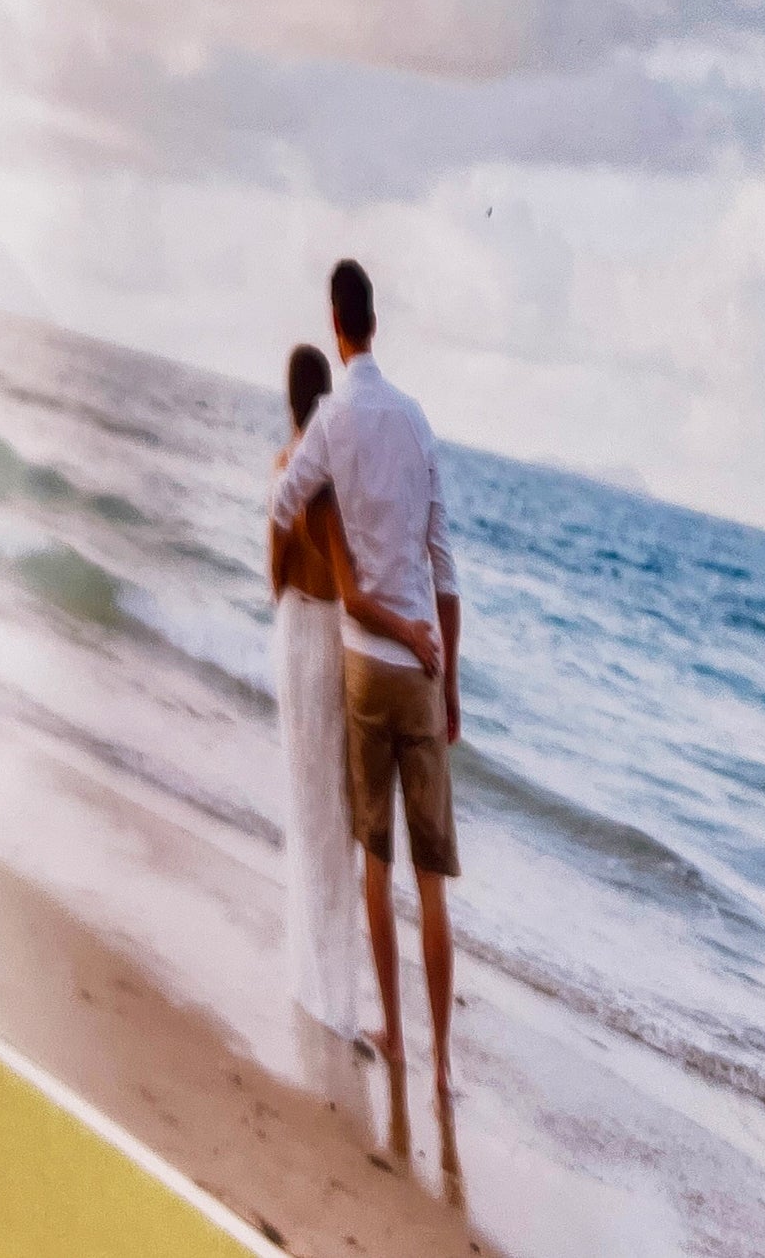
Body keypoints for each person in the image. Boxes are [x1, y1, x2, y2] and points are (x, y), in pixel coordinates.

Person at [268, 258, 464, 1107]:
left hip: (357, 663)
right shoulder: (417, 423)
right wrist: (448, 678)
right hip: (420, 671)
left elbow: (284, 512)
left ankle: (380, 1024)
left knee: (373, 860)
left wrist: (320, 510)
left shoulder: (333, 422)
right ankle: (442, 1059)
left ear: (335, 319)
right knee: (431, 875)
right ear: (375, 320)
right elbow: (444, 565)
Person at [265, 344, 365, 1038]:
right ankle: (335, 996)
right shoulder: (330, 481)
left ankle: (310, 979)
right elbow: (350, 578)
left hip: (291, 631)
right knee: (334, 813)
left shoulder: (284, 469)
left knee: (307, 806)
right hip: (326, 639)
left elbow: (274, 569)